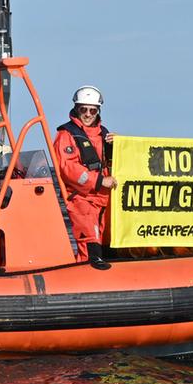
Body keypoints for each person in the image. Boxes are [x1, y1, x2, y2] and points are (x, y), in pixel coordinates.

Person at [53, 85, 115, 262]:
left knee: (107, 244)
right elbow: (68, 169)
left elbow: (111, 164)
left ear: (98, 111)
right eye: (83, 110)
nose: (88, 114)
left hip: (104, 199)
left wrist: (118, 146)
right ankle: (87, 269)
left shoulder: (104, 135)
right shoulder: (66, 135)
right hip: (82, 199)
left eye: (92, 110)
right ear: (76, 109)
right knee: (90, 244)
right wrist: (99, 180)